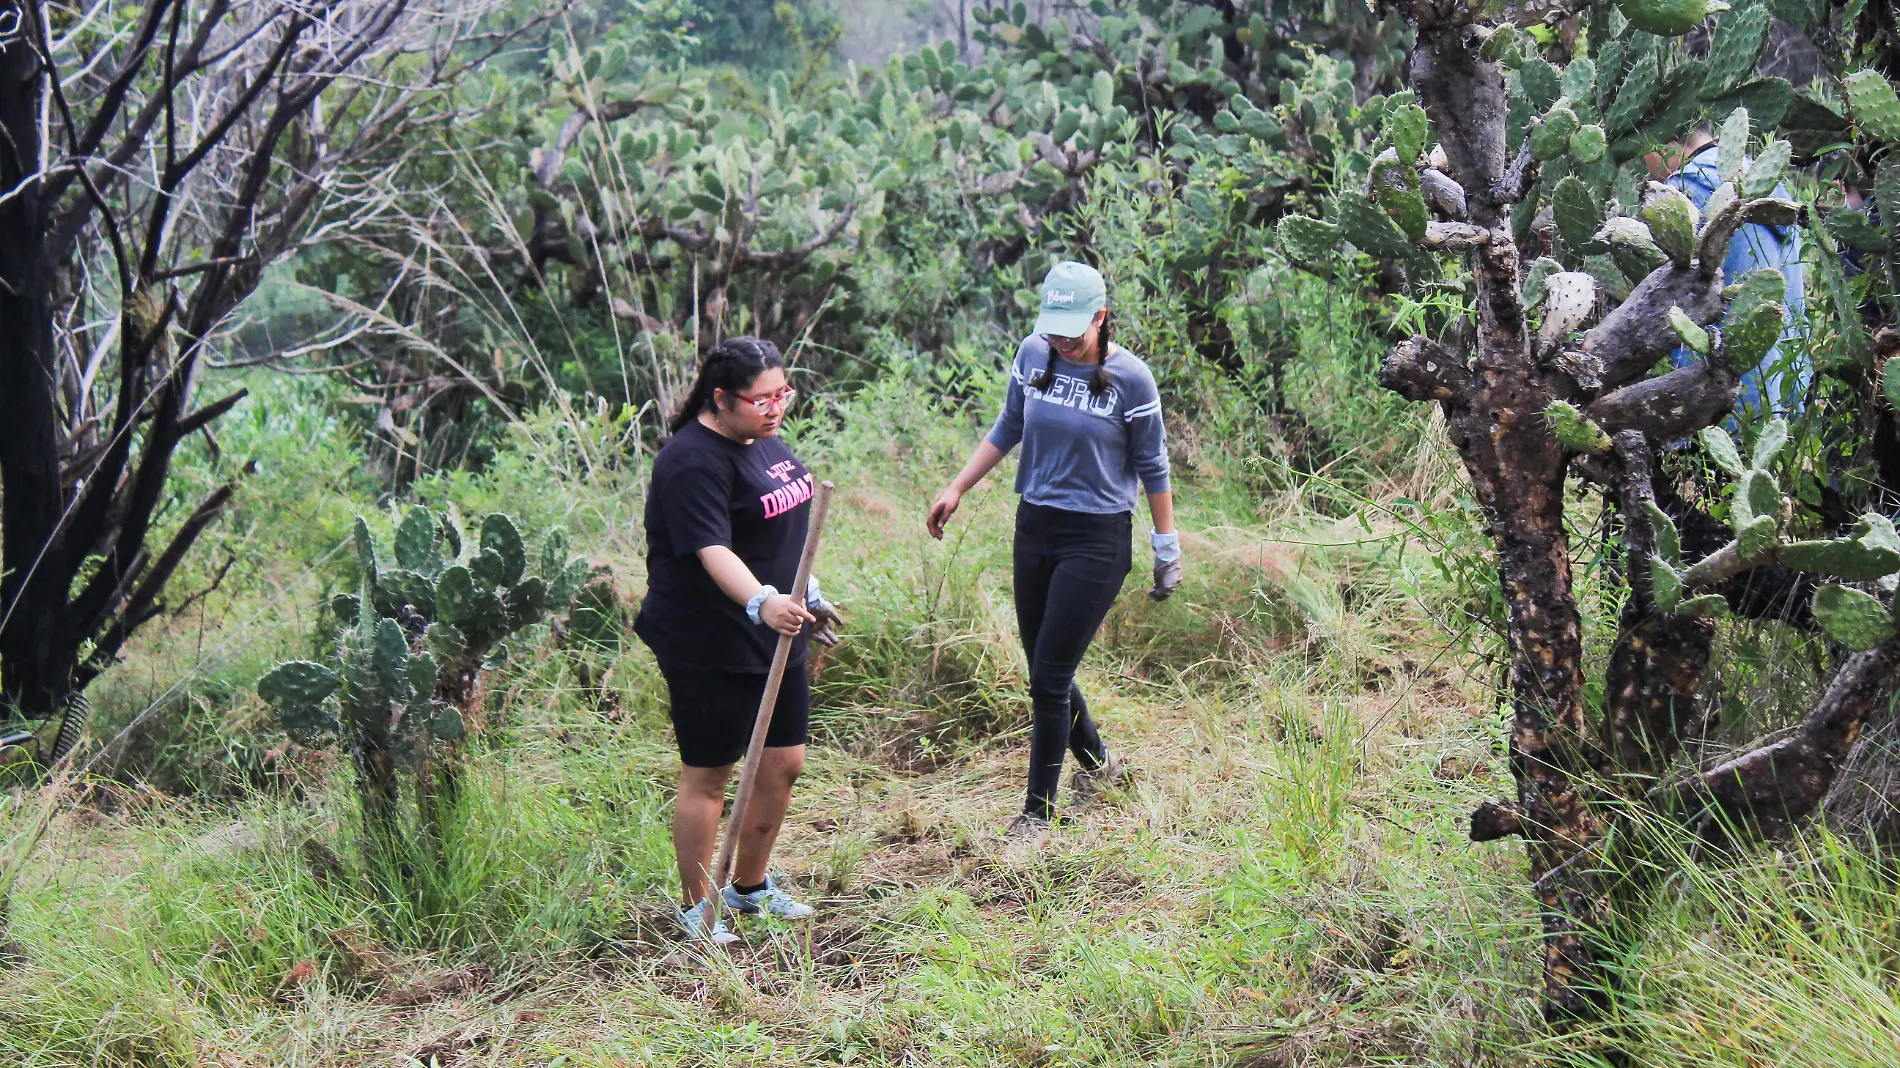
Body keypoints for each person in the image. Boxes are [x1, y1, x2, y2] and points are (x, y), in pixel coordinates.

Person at [925, 260, 1182, 844]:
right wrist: (957, 486)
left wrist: (1166, 547)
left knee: (1048, 677)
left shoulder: (1131, 379)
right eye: (1053, 327)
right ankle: (1099, 765)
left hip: (1097, 537)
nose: (1062, 340)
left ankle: (1036, 815)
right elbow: (1008, 425)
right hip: (1035, 525)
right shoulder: (1033, 354)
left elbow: (1154, 465)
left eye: (1074, 329)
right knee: (1045, 664)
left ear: (1101, 316)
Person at [633, 335, 843, 944]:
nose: (776, 407)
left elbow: (774, 527)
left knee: (783, 761)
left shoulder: (760, 437)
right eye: (761, 399)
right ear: (720, 399)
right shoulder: (690, 460)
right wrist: (761, 601)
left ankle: (749, 890)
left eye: (783, 394)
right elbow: (713, 548)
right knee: (711, 772)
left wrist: (808, 591)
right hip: (709, 636)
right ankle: (697, 911)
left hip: (777, 625)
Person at [1650, 123, 1808, 417]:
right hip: (1780, 402)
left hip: (1710, 407)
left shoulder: (1687, 189)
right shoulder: (1768, 183)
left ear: (1661, 141)